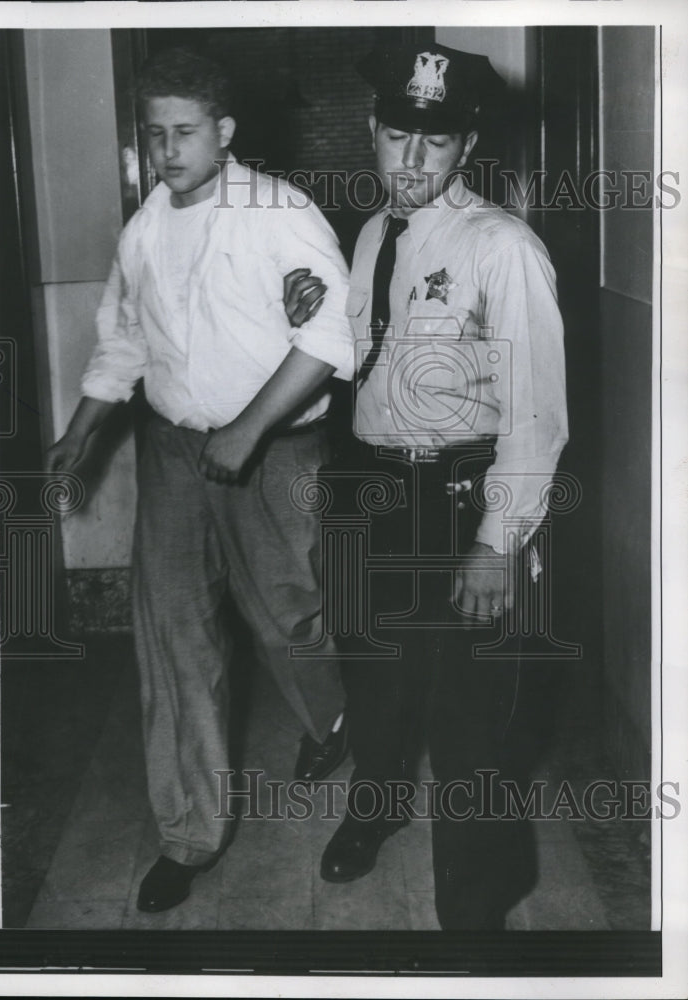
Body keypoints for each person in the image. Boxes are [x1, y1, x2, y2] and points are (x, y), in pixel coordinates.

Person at [45, 47, 352, 913]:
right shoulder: (145, 227)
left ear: (224, 131)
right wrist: (81, 430)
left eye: (184, 131)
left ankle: (331, 720)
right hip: (174, 450)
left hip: (275, 447)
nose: (167, 149)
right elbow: (124, 339)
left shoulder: (277, 211)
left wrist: (248, 430)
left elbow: (333, 332)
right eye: (154, 133)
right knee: (175, 638)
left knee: (286, 616)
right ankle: (190, 833)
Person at [289, 42, 569, 929]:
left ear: (466, 145)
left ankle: (474, 917)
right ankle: (375, 807)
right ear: (373, 130)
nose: (412, 160)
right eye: (398, 136)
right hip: (373, 491)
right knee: (374, 677)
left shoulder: (502, 248)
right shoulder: (374, 233)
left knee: (469, 720)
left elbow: (537, 415)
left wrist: (497, 544)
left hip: (462, 500)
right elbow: (361, 361)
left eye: (436, 141)